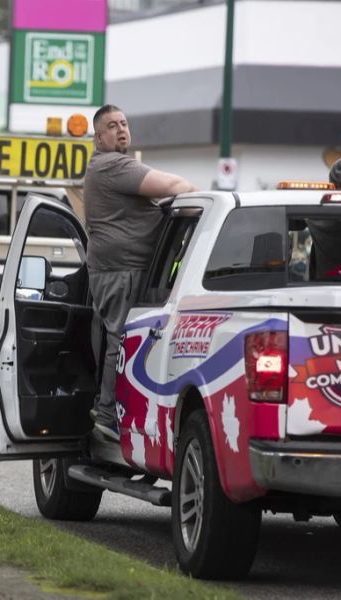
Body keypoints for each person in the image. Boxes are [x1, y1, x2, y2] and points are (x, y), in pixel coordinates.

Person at [84, 105, 196, 440]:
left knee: (120, 340)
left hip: (119, 270)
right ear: (98, 136)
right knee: (121, 340)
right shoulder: (113, 165)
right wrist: (199, 191)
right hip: (121, 271)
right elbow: (174, 185)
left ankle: (116, 412)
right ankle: (107, 416)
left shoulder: (106, 167)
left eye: (124, 124)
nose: (120, 130)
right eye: (112, 126)